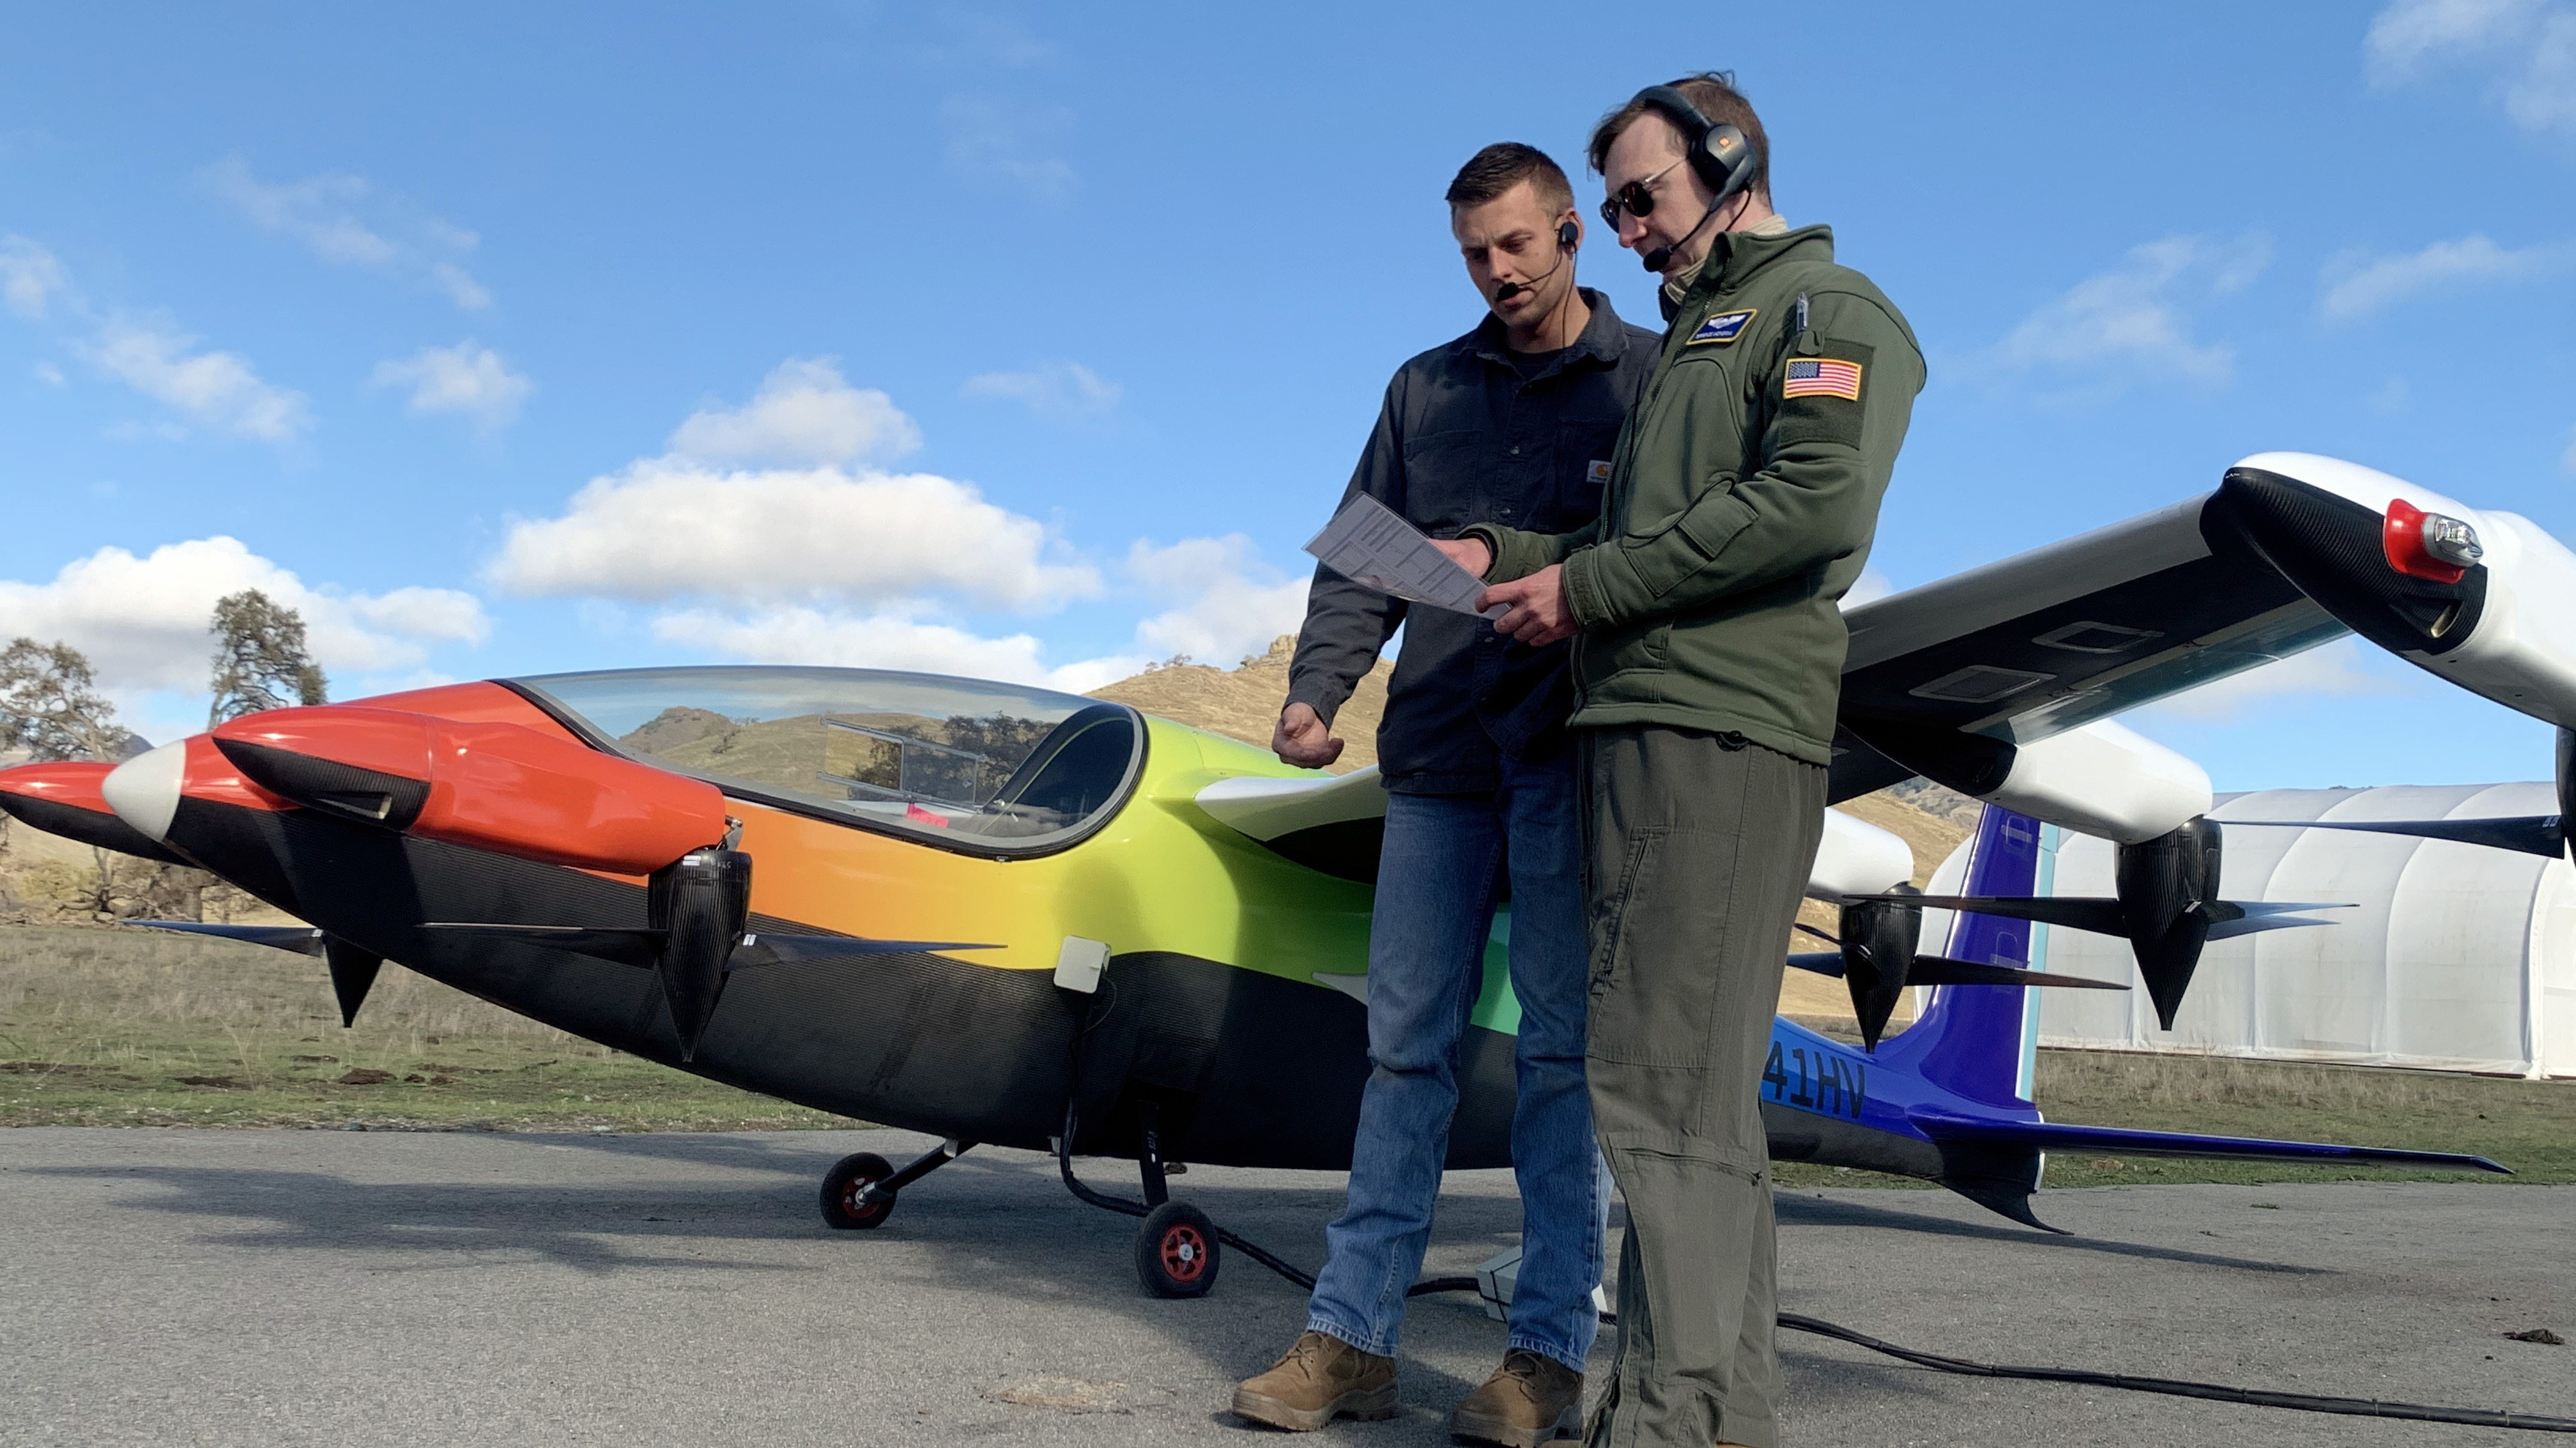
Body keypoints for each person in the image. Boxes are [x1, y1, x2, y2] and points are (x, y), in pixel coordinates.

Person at [1440, 75, 1924, 1448]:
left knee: (1665, 1094)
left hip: (1710, 732)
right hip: (1645, 727)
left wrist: (1582, 590)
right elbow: (1654, 533)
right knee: (1678, 1100)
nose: (1631, 229)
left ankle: (1681, 1422)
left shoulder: (1825, 313)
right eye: (1613, 209)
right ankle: (1698, 1412)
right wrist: (1512, 558)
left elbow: (1809, 511)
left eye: (1644, 196)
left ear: (1733, 164)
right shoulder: (1701, 337)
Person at [1229, 142, 1660, 1445]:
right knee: (1402, 1051)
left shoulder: (1648, 381)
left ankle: (1544, 1356)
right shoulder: (1424, 388)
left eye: (1518, 245)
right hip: (1435, 761)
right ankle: (1351, 1337)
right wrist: (1322, 691)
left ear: (1572, 233)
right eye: (1476, 253)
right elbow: (1363, 561)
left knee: (1555, 1060)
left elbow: (1665, 547)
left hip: (1565, 754)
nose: (1499, 272)